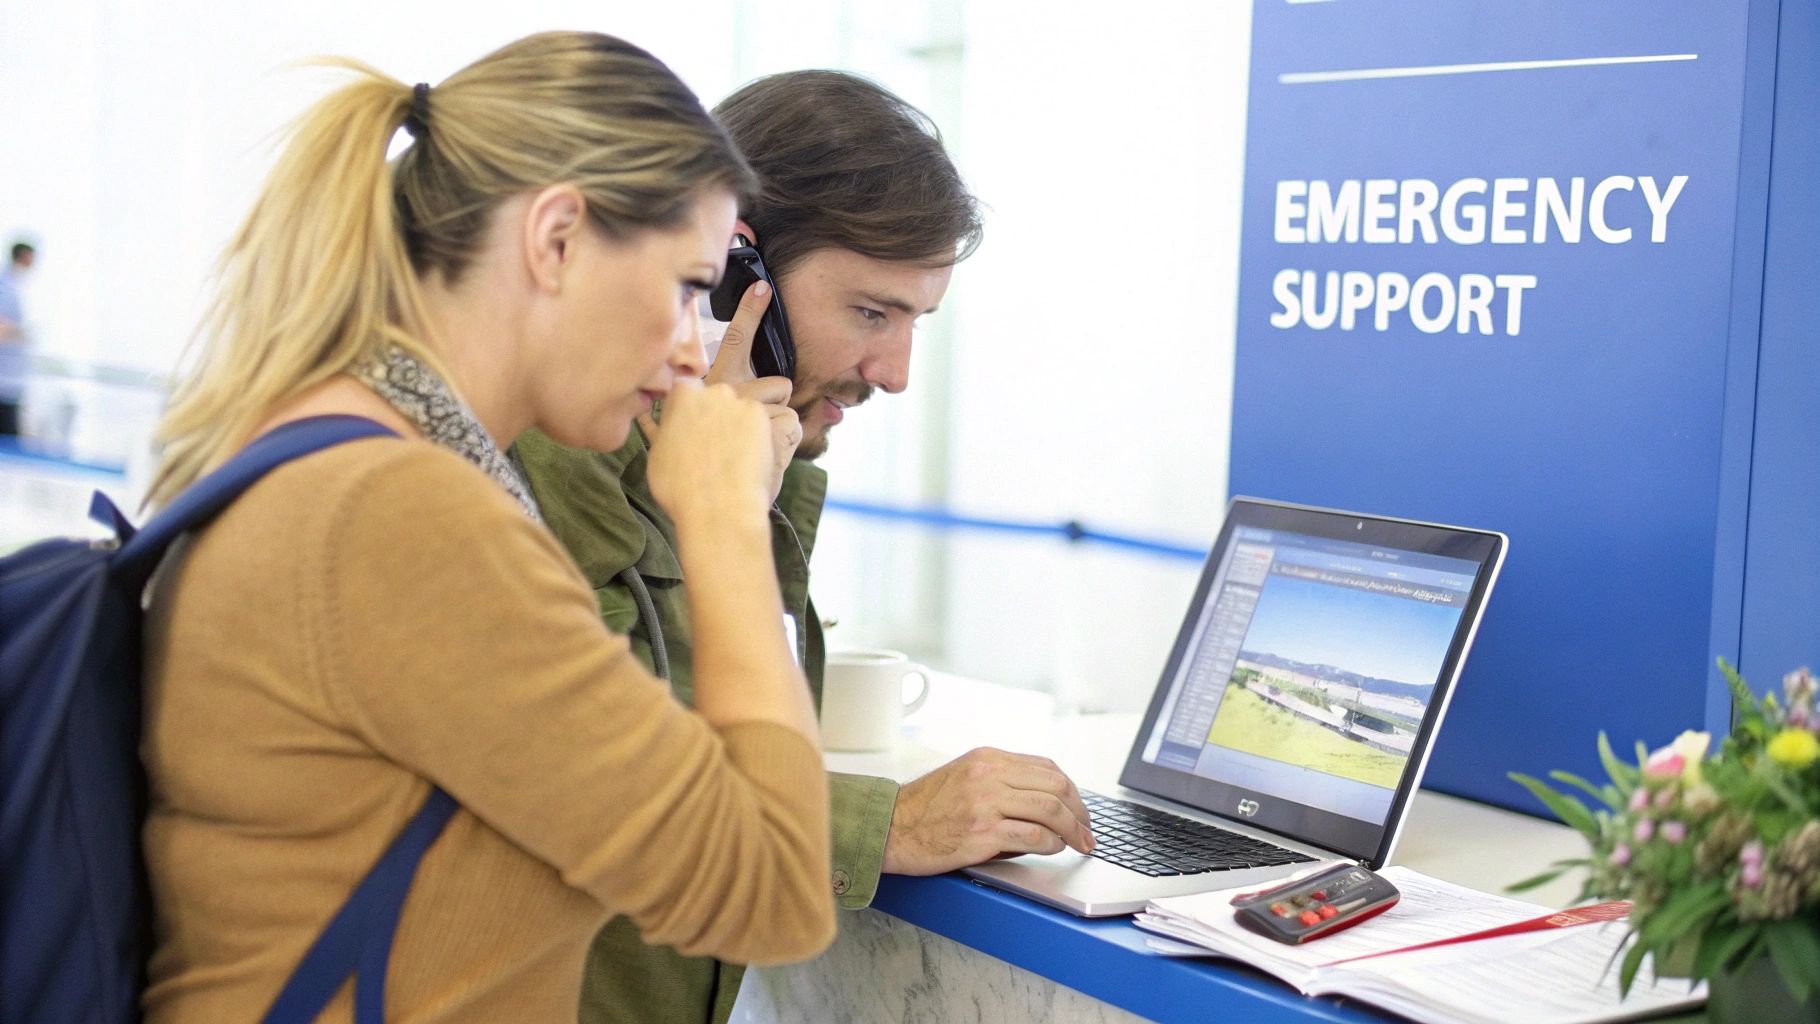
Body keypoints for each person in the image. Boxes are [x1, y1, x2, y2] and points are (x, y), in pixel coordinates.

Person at [140, 33, 835, 1023]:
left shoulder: (328, 445)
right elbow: (772, 889)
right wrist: (725, 520)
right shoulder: (402, 517)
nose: (694, 352)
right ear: (554, 239)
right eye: (687, 286)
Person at [513, 71, 1096, 1024]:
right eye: (871, 313)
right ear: (739, 277)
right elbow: (581, 780)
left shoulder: (736, 464)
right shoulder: (558, 452)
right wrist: (891, 824)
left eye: (917, 322)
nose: (896, 374)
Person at [0, 241, 35, 436]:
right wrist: (21, 334)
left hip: (11, 382)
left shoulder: (15, 285)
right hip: (4, 382)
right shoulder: (5, 287)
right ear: (23, 256)